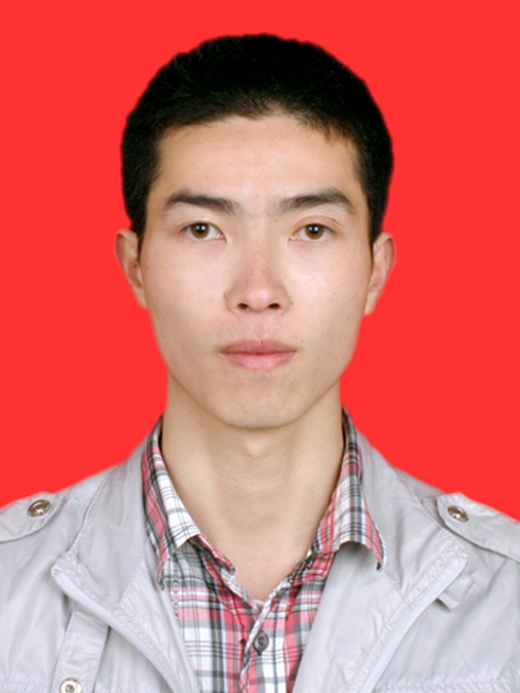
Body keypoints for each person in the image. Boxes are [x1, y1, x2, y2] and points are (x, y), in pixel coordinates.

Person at [0, 34, 518, 693]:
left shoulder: (505, 601)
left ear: (374, 271)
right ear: (136, 267)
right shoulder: (9, 591)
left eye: (311, 230)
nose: (257, 290)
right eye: (202, 229)